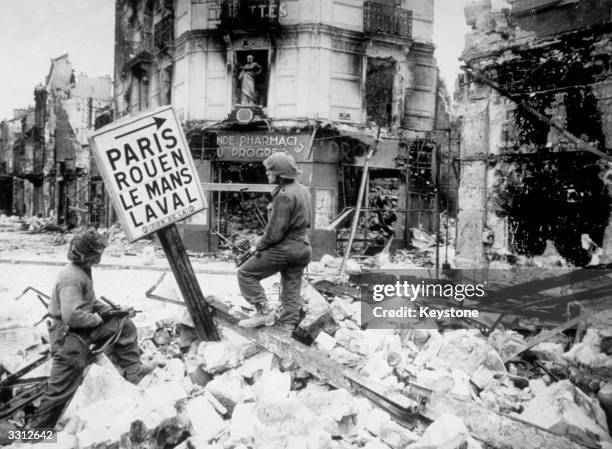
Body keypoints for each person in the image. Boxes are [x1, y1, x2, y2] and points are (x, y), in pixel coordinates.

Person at [28, 230, 156, 429]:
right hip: (68, 336)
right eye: (98, 253)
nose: (100, 256)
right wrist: (97, 318)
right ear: (88, 255)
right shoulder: (72, 277)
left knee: (124, 325)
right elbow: (72, 315)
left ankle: (133, 371)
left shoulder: (81, 271)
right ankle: (35, 435)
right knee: (60, 390)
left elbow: (87, 301)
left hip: (78, 330)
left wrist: (110, 310)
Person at [237, 153, 312, 335]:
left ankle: (263, 312)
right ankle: (287, 326)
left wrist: (258, 246)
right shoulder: (303, 190)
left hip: (286, 248)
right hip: (303, 248)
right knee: (291, 287)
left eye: (270, 170)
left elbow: (275, 233)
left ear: (280, 173)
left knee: (245, 273)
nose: (267, 173)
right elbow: (307, 223)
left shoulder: (283, 196)